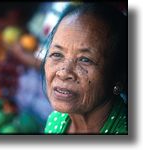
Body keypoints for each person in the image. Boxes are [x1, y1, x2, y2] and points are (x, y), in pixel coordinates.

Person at [42, 3, 127, 134]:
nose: (64, 73)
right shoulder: (56, 120)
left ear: (118, 75)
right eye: (57, 54)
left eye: (85, 60)